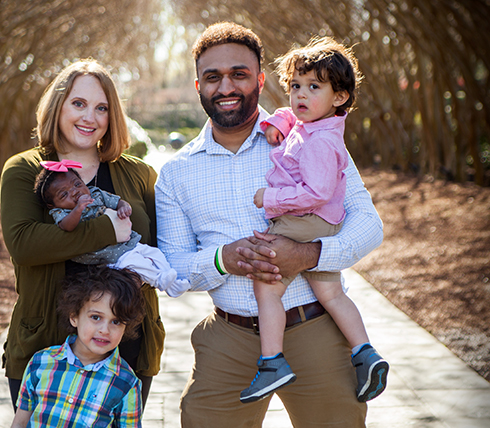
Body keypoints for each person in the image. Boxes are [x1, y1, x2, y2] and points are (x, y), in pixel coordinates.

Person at [155, 22, 383, 427]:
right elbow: (173, 267)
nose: (226, 86)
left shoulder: (311, 136)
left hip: (313, 326)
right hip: (230, 336)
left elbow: (368, 224)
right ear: (198, 86)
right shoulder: (176, 173)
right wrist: (224, 259)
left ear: (260, 79)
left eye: (238, 74)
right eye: (213, 77)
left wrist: (308, 255)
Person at [0, 59, 165, 412]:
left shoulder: (138, 175)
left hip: (127, 348)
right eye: (79, 104)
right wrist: (107, 229)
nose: (90, 117)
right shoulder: (25, 170)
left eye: (101, 108)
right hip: (44, 349)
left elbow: (163, 248)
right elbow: (25, 245)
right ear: (58, 106)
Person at [243, 37, 388, 403]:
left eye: (313, 87)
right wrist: (278, 120)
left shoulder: (321, 142)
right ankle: (364, 354)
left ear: (339, 97)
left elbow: (317, 192)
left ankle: (271, 362)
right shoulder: (313, 123)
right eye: (295, 87)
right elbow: (294, 115)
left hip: (305, 218)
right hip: (320, 221)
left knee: (266, 286)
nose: (299, 96)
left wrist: (271, 199)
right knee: (331, 292)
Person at [11, 266, 146, 428]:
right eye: (96, 317)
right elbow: (20, 422)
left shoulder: (127, 383)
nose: (105, 330)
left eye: (116, 322)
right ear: (74, 317)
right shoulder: (41, 362)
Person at [33, 160, 190, 297]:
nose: (75, 192)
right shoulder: (61, 212)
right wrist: (79, 208)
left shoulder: (95, 193)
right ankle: (159, 280)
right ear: (51, 205)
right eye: (64, 194)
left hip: (128, 244)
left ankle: (172, 283)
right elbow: (67, 226)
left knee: (154, 253)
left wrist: (123, 208)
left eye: (77, 184)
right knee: (137, 263)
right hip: (110, 256)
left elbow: (118, 202)